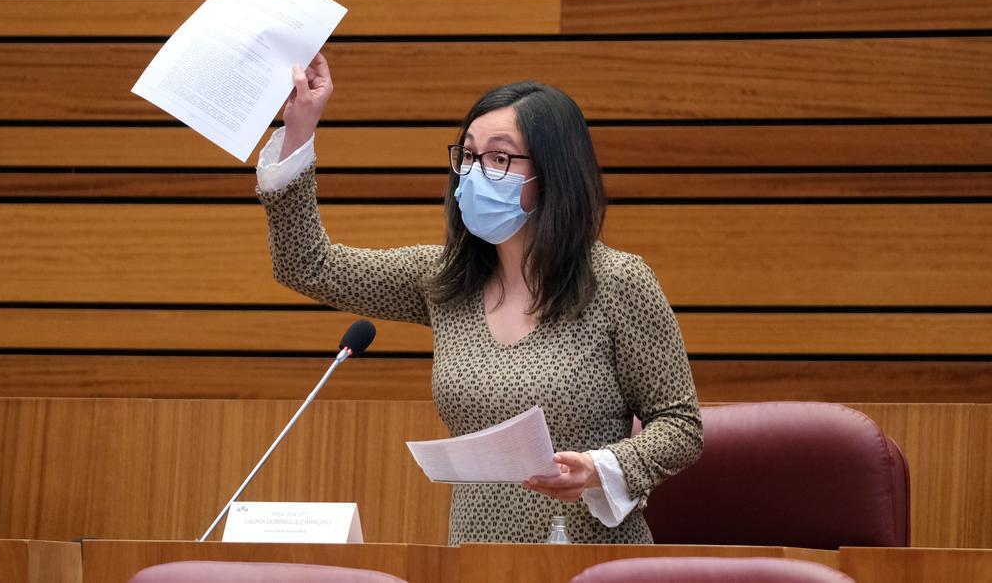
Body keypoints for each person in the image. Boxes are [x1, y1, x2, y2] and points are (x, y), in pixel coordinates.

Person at [255, 52, 702, 544]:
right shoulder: (443, 279)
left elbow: (680, 425)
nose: (472, 172)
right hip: (474, 560)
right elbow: (309, 266)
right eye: (467, 155)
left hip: (588, 561)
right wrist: (299, 129)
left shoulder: (617, 283)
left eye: (499, 157)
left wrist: (599, 468)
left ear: (551, 174)